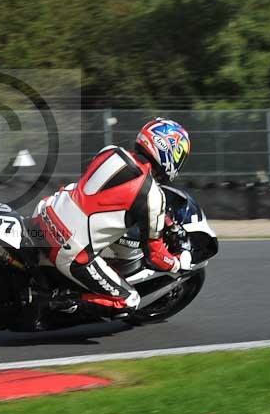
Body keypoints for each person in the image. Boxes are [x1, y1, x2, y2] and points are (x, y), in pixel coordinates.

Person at [31, 117, 192, 318]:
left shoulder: (110, 151)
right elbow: (156, 256)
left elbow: (104, 197)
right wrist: (179, 264)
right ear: (170, 152)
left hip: (44, 213)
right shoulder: (152, 194)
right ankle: (56, 305)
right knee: (128, 300)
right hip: (68, 246)